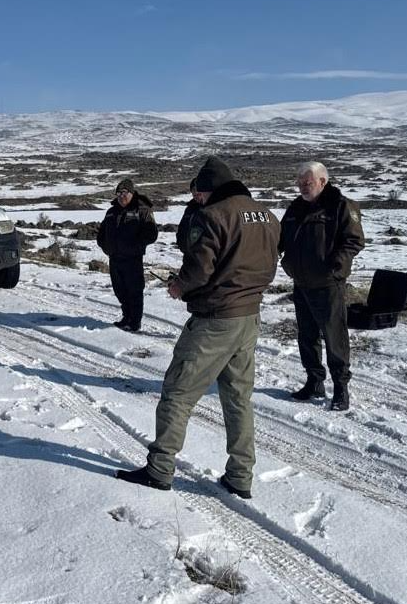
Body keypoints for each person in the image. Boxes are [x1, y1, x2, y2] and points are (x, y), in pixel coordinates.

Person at [116, 157, 280, 499]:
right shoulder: (266, 215)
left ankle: (159, 469)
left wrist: (179, 286)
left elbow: (200, 269)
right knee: (238, 399)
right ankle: (240, 476)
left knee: (177, 393)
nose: (198, 199)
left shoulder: (213, 215)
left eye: (201, 193)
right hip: (249, 317)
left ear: (212, 189)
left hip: (215, 320)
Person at [279, 161, 365, 412]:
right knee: (307, 336)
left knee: (334, 337)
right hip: (301, 283)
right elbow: (280, 238)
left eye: (307, 182)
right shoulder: (296, 208)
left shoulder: (340, 206)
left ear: (322, 181)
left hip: (328, 284)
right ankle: (314, 381)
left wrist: (337, 264)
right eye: (299, 183)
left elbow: (354, 240)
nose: (302, 187)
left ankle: (340, 387)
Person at [96, 178, 158, 332]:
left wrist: (136, 246)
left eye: (124, 193)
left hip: (132, 259)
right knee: (120, 290)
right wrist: (106, 246)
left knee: (134, 291)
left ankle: (135, 321)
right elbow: (101, 233)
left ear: (131, 193)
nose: (121, 196)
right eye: (118, 193)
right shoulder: (111, 212)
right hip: (115, 258)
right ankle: (126, 317)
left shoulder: (142, 210)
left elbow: (152, 234)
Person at [175, 178, 205, 253]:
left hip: (204, 253)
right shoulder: (190, 209)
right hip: (188, 253)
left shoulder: (210, 209)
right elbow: (181, 228)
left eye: (198, 194)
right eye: (194, 194)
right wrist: (182, 245)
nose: (196, 196)